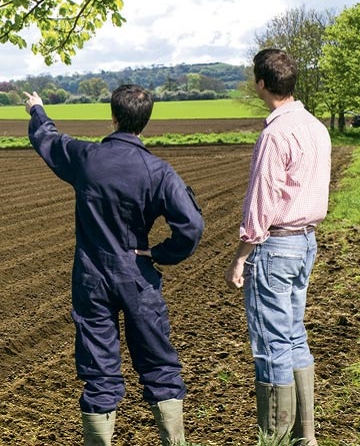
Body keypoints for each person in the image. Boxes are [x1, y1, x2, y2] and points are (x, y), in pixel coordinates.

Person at [26, 85, 204, 446]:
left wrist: (37, 110)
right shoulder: (158, 171)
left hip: (91, 279)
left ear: (113, 116)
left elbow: (49, 140)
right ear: (146, 122)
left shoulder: (87, 158)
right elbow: (191, 226)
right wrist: (159, 254)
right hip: (138, 277)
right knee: (159, 368)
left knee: (100, 375)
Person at [224, 49, 331, 444]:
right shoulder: (317, 127)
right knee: (293, 335)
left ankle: (275, 439)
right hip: (306, 243)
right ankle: (306, 438)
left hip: (277, 246)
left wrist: (241, 256)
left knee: (271, 343)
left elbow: (261, 202)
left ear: (262, 84)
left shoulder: (274, 134)